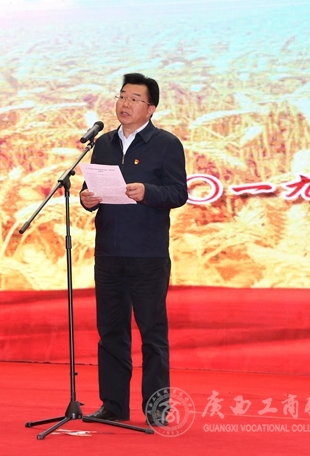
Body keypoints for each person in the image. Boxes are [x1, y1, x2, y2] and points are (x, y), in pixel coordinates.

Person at [79, 73, 188, 426]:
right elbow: (91, 187)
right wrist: (86, 199)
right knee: (111, 332)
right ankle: (113, 405)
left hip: (147, 254)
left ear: (151, 108)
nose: (125, 104)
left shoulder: (166, 144)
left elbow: (178, 193)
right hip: (108, 252)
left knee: (152, 334)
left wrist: (148, 192)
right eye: (122, 96)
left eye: (134, 99)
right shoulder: (104, 143)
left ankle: (157, 409)